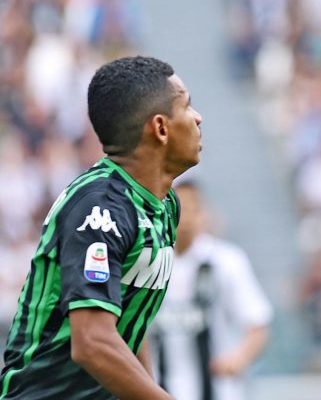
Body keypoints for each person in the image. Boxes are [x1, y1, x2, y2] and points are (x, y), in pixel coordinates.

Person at [0, 56, 203, 400]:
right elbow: (92, 342)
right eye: (187, 107)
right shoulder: (99, 209)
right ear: (160, 127)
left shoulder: (163, 204)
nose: (198, 118)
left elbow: (125, 326)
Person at [149, 180, 272, 400]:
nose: (184, 217)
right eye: (178, 208)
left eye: (192, 208)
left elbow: (258, 324)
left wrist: (237, 360)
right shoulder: (149, 262)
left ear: (203, 213)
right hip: (160, 390)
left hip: (218, 392)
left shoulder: (226, 261)